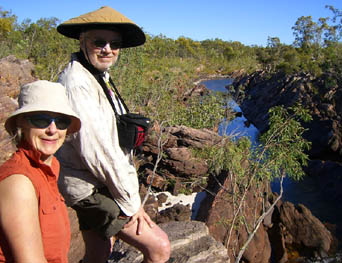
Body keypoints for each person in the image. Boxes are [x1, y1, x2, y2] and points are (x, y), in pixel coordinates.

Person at [56, 6, 171, 263]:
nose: (108, 49)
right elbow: (101, 154)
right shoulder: (77, 84)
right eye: (99, 42)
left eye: (115, 44)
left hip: (89, 178)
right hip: (88, 186)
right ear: (82, 41)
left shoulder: (97, 75)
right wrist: (133, 205)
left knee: (98, 252)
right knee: (160, 247)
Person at [0, 80, 81, 263]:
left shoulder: (50, 168)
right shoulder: (18, 182)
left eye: (61, 122)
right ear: (21, 123)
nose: (52, 130)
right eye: (41, 120)